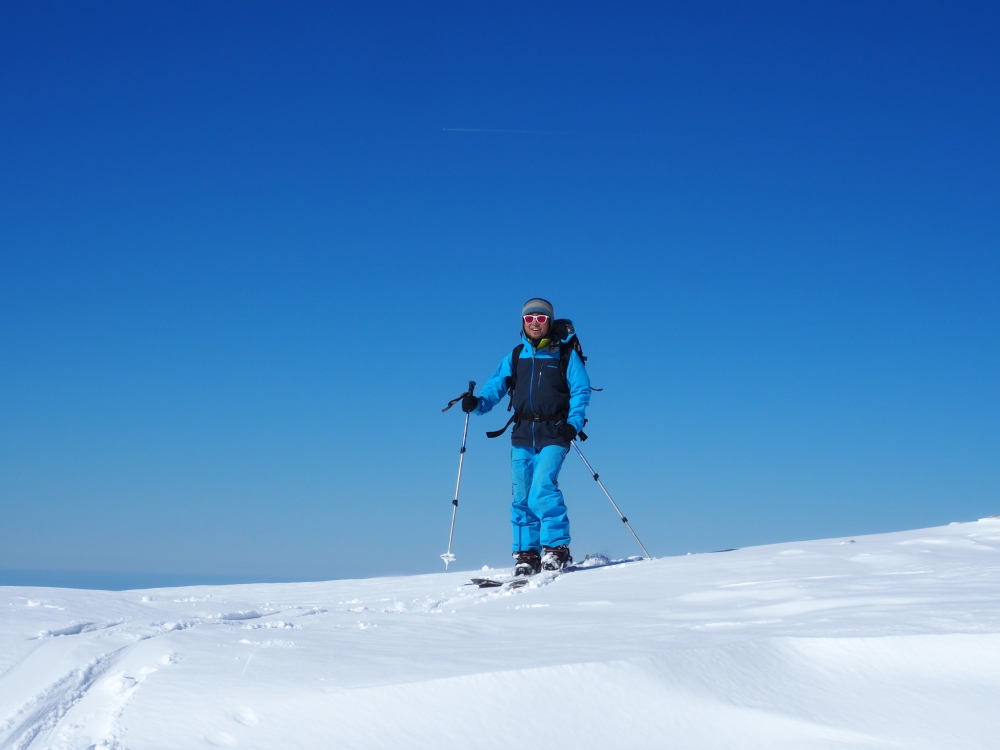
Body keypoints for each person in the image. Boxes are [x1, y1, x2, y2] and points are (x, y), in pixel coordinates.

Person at [461, 298, 591, 575]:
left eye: (541, 319)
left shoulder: (565, 355)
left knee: (542, 487)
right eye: (530, 317)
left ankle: (556, 549)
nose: (535, 322)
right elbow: (497, 385)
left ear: (549, 323)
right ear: (522, 322)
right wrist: (479, 404)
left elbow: (581, 391)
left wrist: (573, 424)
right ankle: (527, 554)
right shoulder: (516, 355)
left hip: (555, 431)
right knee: (521, 495)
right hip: (522, 433)